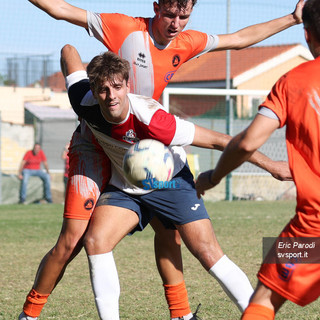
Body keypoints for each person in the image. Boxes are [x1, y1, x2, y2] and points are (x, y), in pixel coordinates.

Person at [20, 0, 302, 319]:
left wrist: (293, 18)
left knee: (187, 242)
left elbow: (237, 43)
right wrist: (72, 53)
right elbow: (64, 27)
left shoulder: (158, 113)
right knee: (82, 240)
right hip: (108, 158)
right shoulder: (118, 41)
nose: (176, 23)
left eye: (184, 15)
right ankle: (30, 312)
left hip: (158, 161)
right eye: (170, 13)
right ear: (156, 7)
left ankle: (192, 314)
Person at [195, 0, 320, 318]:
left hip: (312, 229)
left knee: (263, 299)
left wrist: (213, 177)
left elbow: (247, 141)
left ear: (306, 34)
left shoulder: (294, 81)